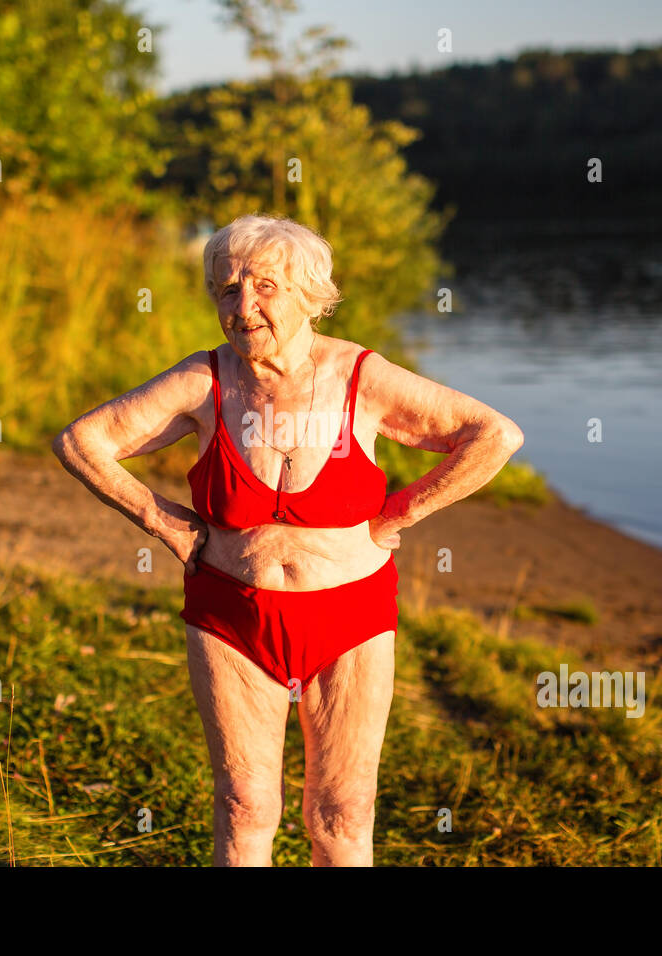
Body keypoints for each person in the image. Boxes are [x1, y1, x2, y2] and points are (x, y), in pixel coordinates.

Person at [52, 214, 524, 865]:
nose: (242, 308)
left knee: (343, 811)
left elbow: (494, 435)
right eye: (225, 289)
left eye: (264, 286)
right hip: (231, 614)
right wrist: (159, 519)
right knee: (246, 804)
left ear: (308, 293)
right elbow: (81, 441)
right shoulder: (205, 380)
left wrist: (398, 516)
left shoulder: (361, 377)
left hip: (351, 616)